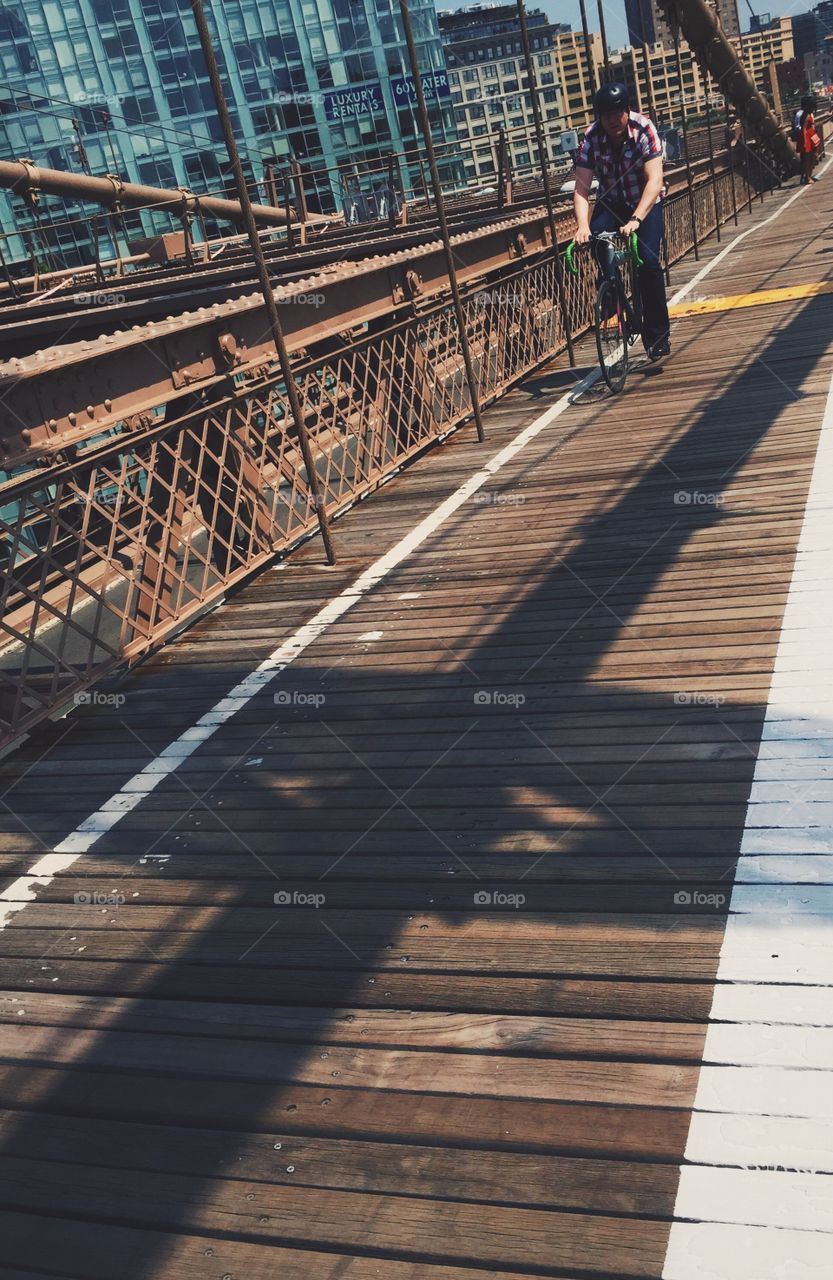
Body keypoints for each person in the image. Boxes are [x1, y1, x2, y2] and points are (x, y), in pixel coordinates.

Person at [572, 82, 670, 360]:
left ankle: (658, 336)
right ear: (599, 117)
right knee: (598, 240)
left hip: (645, 202)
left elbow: (655, 180)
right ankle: (611, 292)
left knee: (649, 263)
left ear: (627, 111)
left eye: (618, 113)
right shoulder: (591, 139)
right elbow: (581, 188)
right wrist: (582, 226)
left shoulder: (644, 130)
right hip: (612, 202)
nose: (613, 120)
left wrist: (637, 218)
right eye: (607, 115)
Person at [794, 95, 821, 185]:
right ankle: (807, 177)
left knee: (814, 155)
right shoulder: (803, 114)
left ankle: (809, 175)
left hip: (811, 134)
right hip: (807, 136)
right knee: (807, 158)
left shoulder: (810, 113)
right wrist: (805, 141)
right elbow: (803, 128)